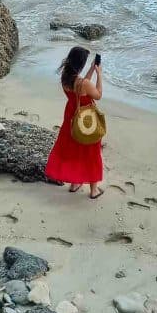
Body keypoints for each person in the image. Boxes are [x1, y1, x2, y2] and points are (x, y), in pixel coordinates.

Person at [45, 45, 104, 199]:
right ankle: (94, 190)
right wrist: (99, 74)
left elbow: (82, 86)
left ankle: (74, 183)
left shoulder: (65, 77)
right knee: (91, 152)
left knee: (73, 150)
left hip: (71, 116)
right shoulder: (82, 83)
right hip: (86, 120)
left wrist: (91, 70)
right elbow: (97, 95)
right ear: (80, 63)